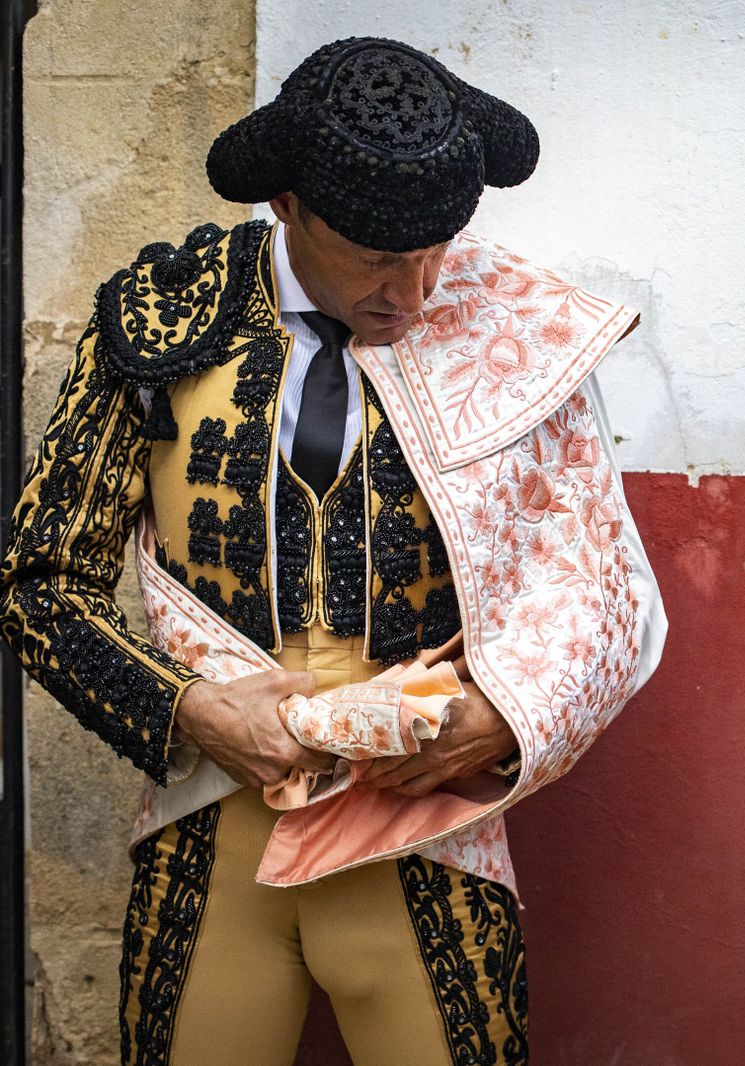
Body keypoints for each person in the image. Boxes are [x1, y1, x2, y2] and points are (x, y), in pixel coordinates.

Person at [0, 36, 665, 1064]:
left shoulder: (515, 326)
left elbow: (590, 577)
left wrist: (502, 714)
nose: (415, 289)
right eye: (373, 255)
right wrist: (187, 708)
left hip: (428, 835)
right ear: (288, 208)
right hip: (211, 830)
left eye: (437, 246)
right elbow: (40, 581)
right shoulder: (162, 320)